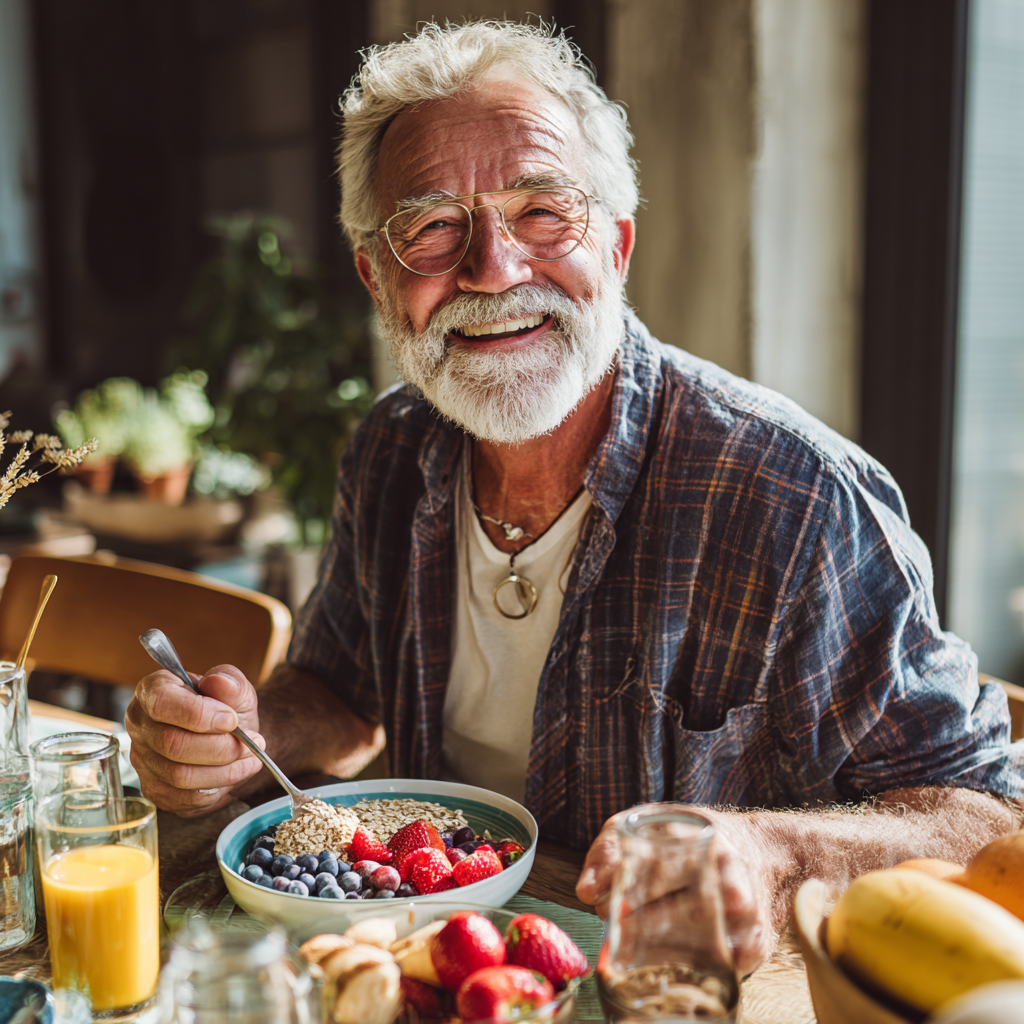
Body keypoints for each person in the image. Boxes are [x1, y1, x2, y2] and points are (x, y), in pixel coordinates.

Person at [125, 21, 1024, 970]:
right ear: (378, 279)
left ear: (620, 247)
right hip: (432, 968)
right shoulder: (391, 450)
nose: (494, 269)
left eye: (544, 213)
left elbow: (988, 819)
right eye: (430, 228)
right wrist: (245, 735)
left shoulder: (796, 501)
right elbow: (340, 692)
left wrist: (773, 853)